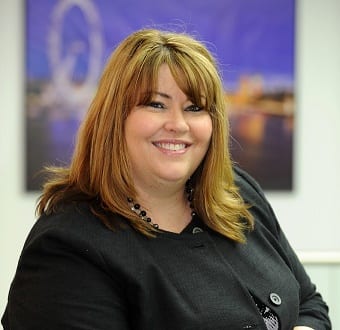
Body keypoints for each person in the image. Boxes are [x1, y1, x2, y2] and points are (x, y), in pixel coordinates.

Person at [2, 28, 331, 330]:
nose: (178, 124)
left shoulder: (239, 195)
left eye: (195, 108)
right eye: (156, 104)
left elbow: (309, 304)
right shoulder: (68, 248)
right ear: (114, 118)